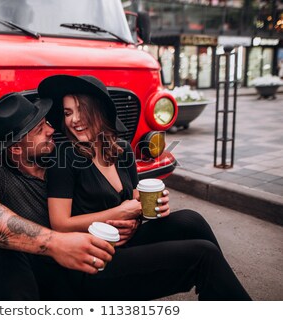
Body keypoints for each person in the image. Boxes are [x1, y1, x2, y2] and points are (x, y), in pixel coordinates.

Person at [37, 74, 252, 300]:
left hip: (128, 243)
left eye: (82, 110)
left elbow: (136, 201)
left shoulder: (121, 150)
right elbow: (60, 225)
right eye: (68, 113)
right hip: (94, 261)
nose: (75, 120)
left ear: (99, 111)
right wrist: (119, 213)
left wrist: (149, 210)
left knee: (192, 220)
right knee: (203, 256)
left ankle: (220, 292)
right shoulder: (66, 157)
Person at [0, 93, 114, 300]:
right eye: (40, 130)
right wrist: (55, 244)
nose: (51, 130)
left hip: (88, 265)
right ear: (15, 148)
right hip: (37, 274)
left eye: (46, 123)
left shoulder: (65, 157)